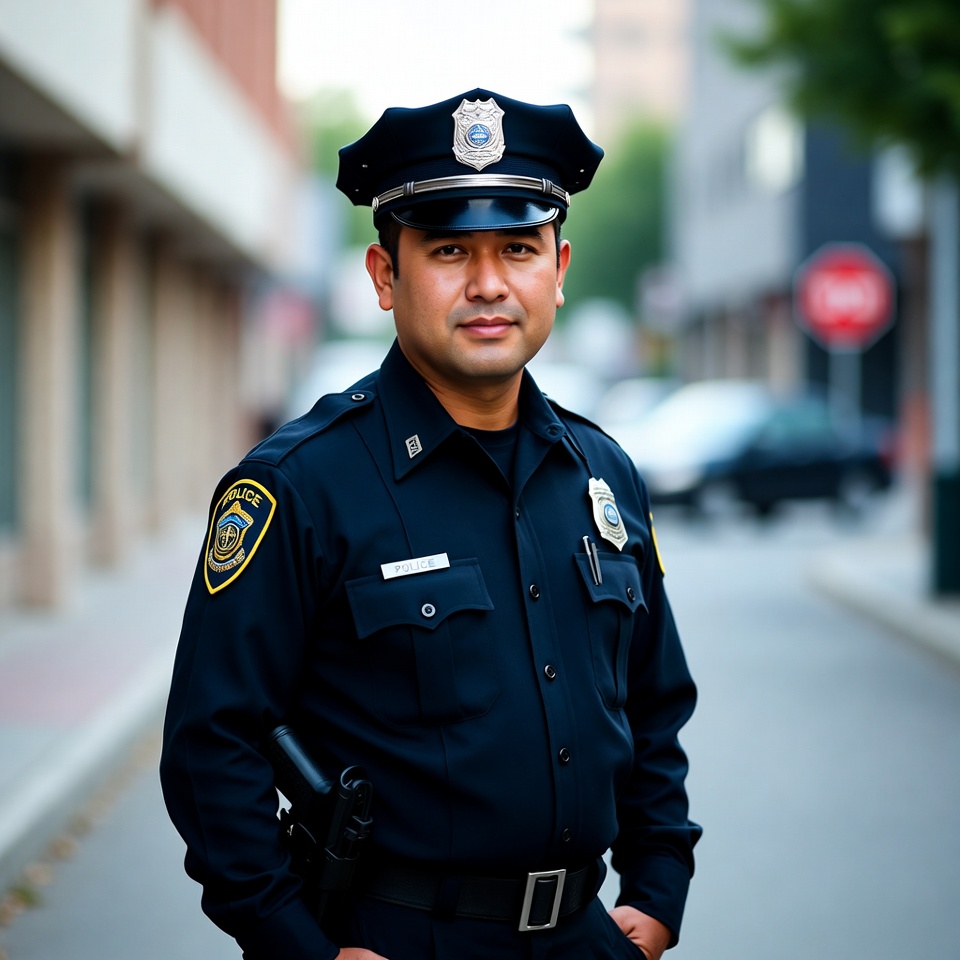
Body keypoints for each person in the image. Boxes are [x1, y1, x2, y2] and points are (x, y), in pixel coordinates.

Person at [160, 88, 700, 960]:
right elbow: (209, 745)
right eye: (449, 250)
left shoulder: (604, 474)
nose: (488, 284)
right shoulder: (299, 485)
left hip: (589, 939)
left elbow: (653, 705)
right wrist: (295, 945)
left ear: (558, 271)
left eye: (519, 249)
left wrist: (659, 889)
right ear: (385, 275)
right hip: (402, 939)